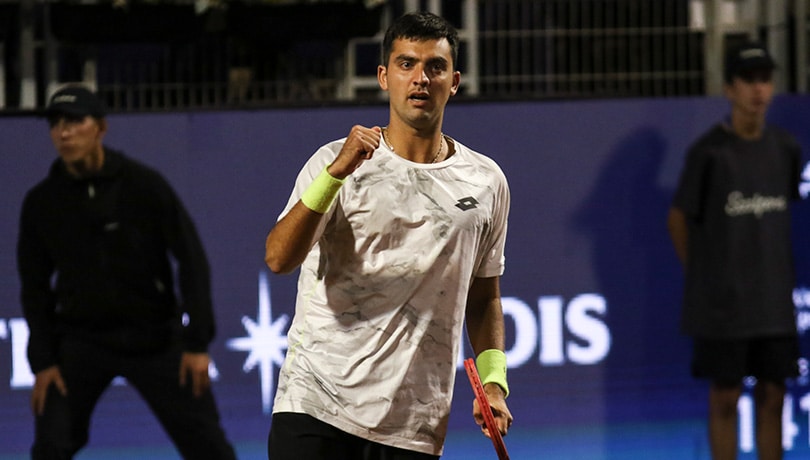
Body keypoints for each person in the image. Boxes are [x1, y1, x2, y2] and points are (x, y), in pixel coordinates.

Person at [264, 11, 513, 460]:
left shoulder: (486, 181)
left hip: (414, 424)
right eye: (406, 64)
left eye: (434, 67)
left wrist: (494, 383)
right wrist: (335, 175)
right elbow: (279, 258)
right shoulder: (333, 162)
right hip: (316, 404)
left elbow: (484, 295)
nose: (420, 78)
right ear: (383, 76)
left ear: (453, 81)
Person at [17, 85, 237, 460]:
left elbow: (191, 259)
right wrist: (44, 361)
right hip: (80, 341)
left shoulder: (144, 185)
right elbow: (34, 286)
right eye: (55, 124)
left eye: (74, 121)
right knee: (51, 445)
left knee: (208, 446)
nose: (63, 132)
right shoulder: (42, 203)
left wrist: (197, 342)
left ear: (100, 127)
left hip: (154, 337)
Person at [668, 42, 802, 460]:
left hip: (774, 305)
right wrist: (706, 277)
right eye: (749, 80)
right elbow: (678, 220)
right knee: (725, 397)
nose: (758, 90)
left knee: (774, 395)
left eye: (765, 79)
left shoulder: (786, 149)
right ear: (730, 88)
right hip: (723, 308)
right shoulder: (708, 153)